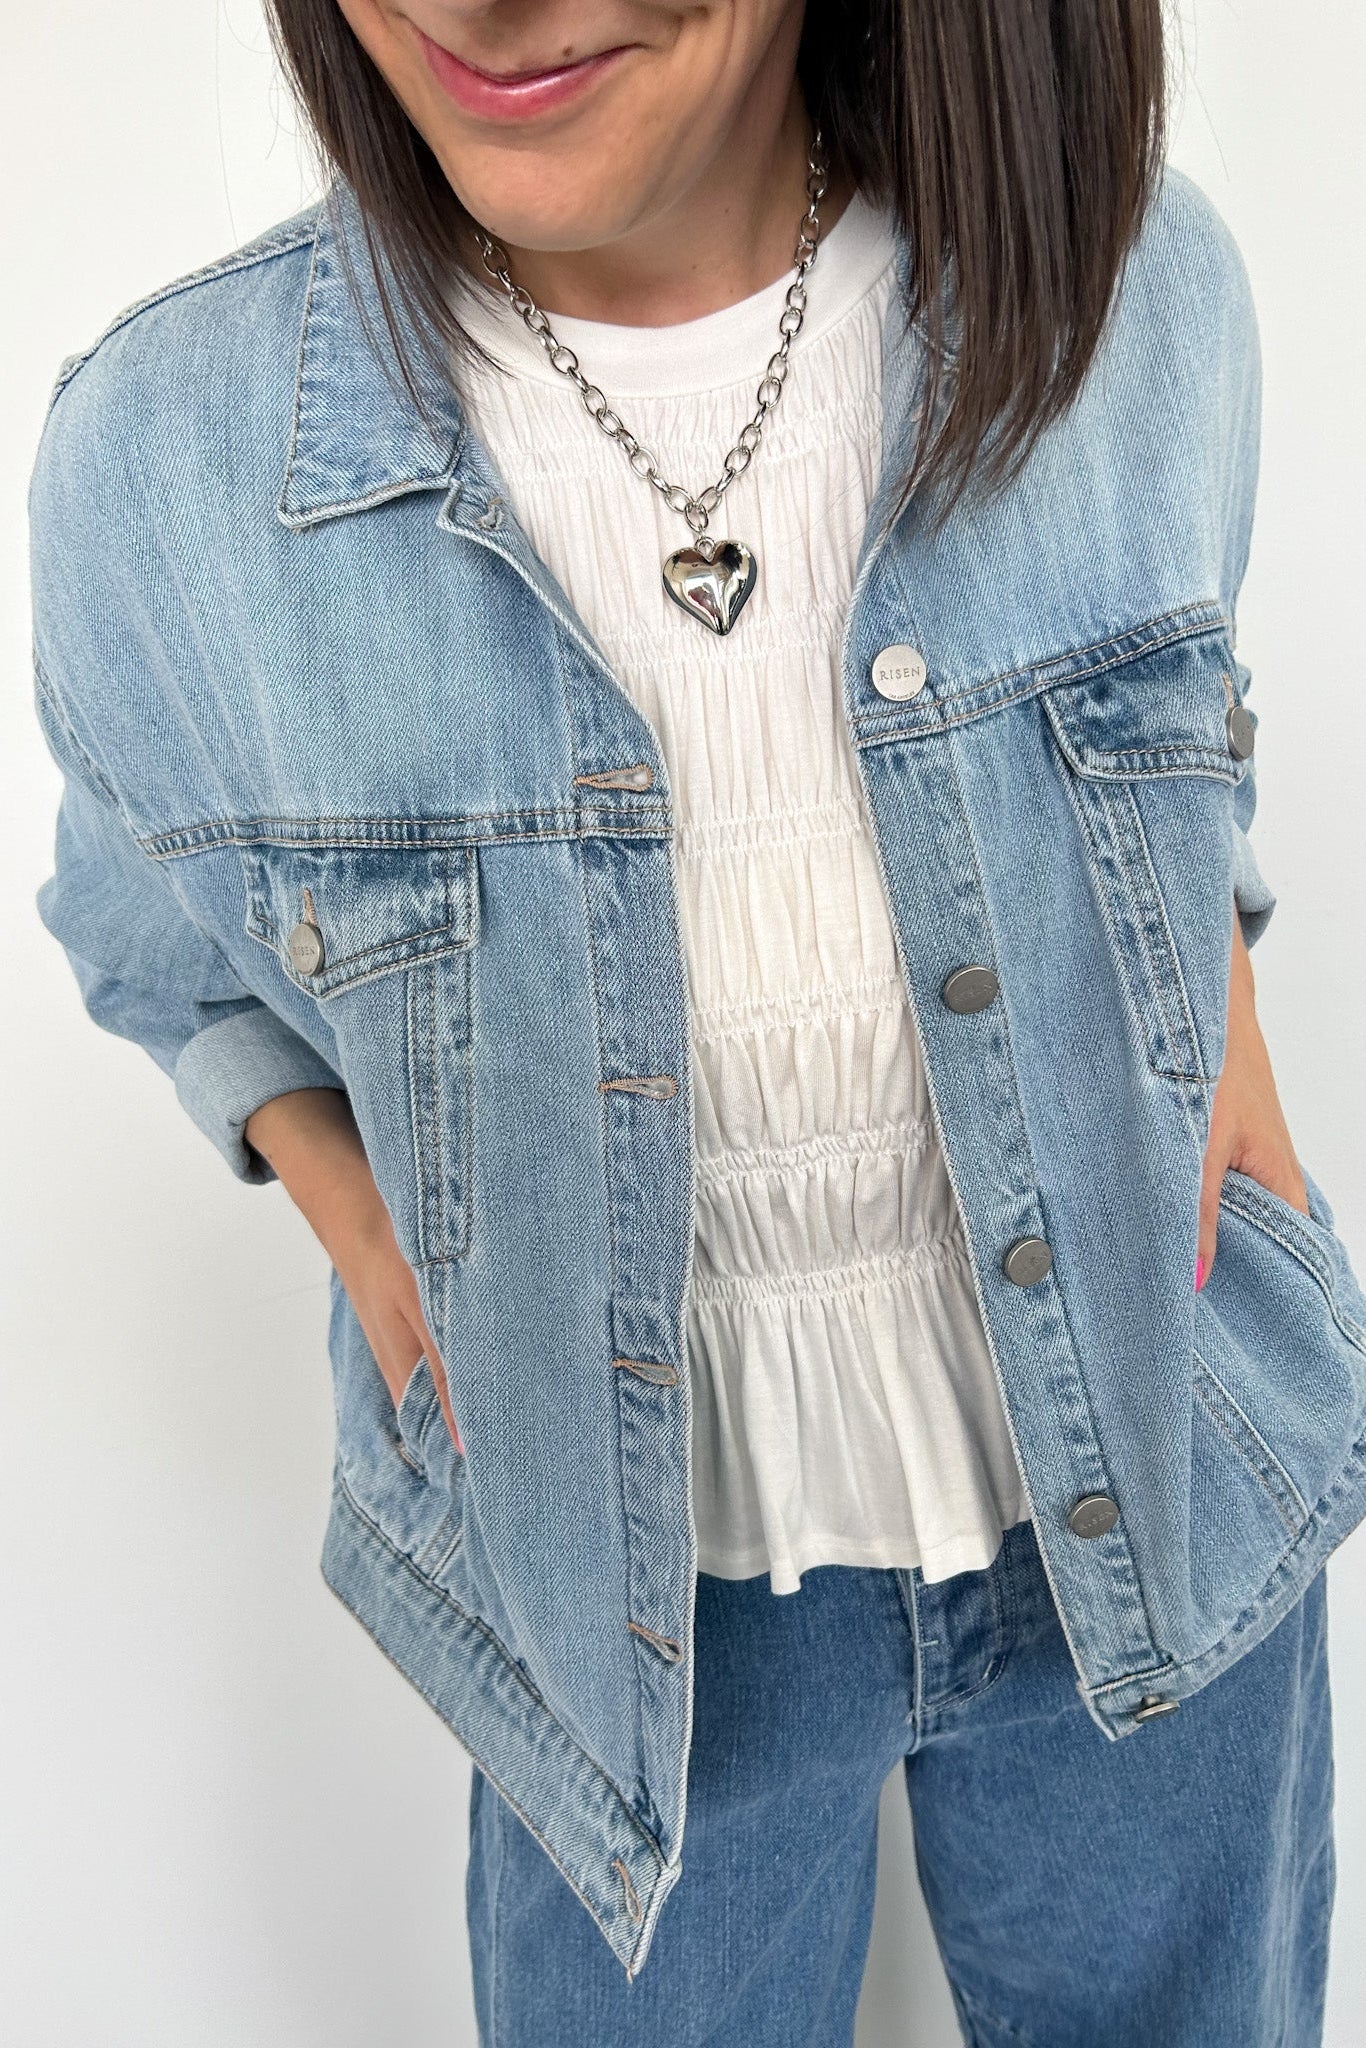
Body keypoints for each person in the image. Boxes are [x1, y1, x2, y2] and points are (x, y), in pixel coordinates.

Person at [28, 2, 1365, 2041]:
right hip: (632, 1624)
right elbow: (144, 910)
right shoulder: (178, 462)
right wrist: (348, 1203)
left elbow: (1169, 712)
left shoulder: (1127, 287)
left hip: (1161, 1491)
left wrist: (1225, 978)